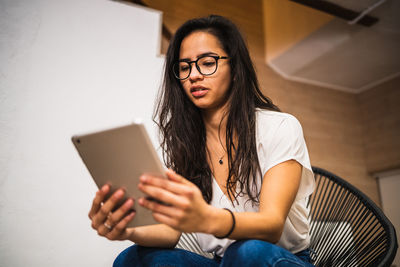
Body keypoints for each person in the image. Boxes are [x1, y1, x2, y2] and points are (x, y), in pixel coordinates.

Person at [88, 15, 315, 266]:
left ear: (236, 69)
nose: (194, 75)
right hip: (222, 262)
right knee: (132, 259)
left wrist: (206, 218)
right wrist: (124, 230)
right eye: (184, 67)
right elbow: (169, 232)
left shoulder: (279, 127)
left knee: (247, 252)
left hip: (275, 258)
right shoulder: (184, 145)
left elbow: (271, 226)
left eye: (207, 63)